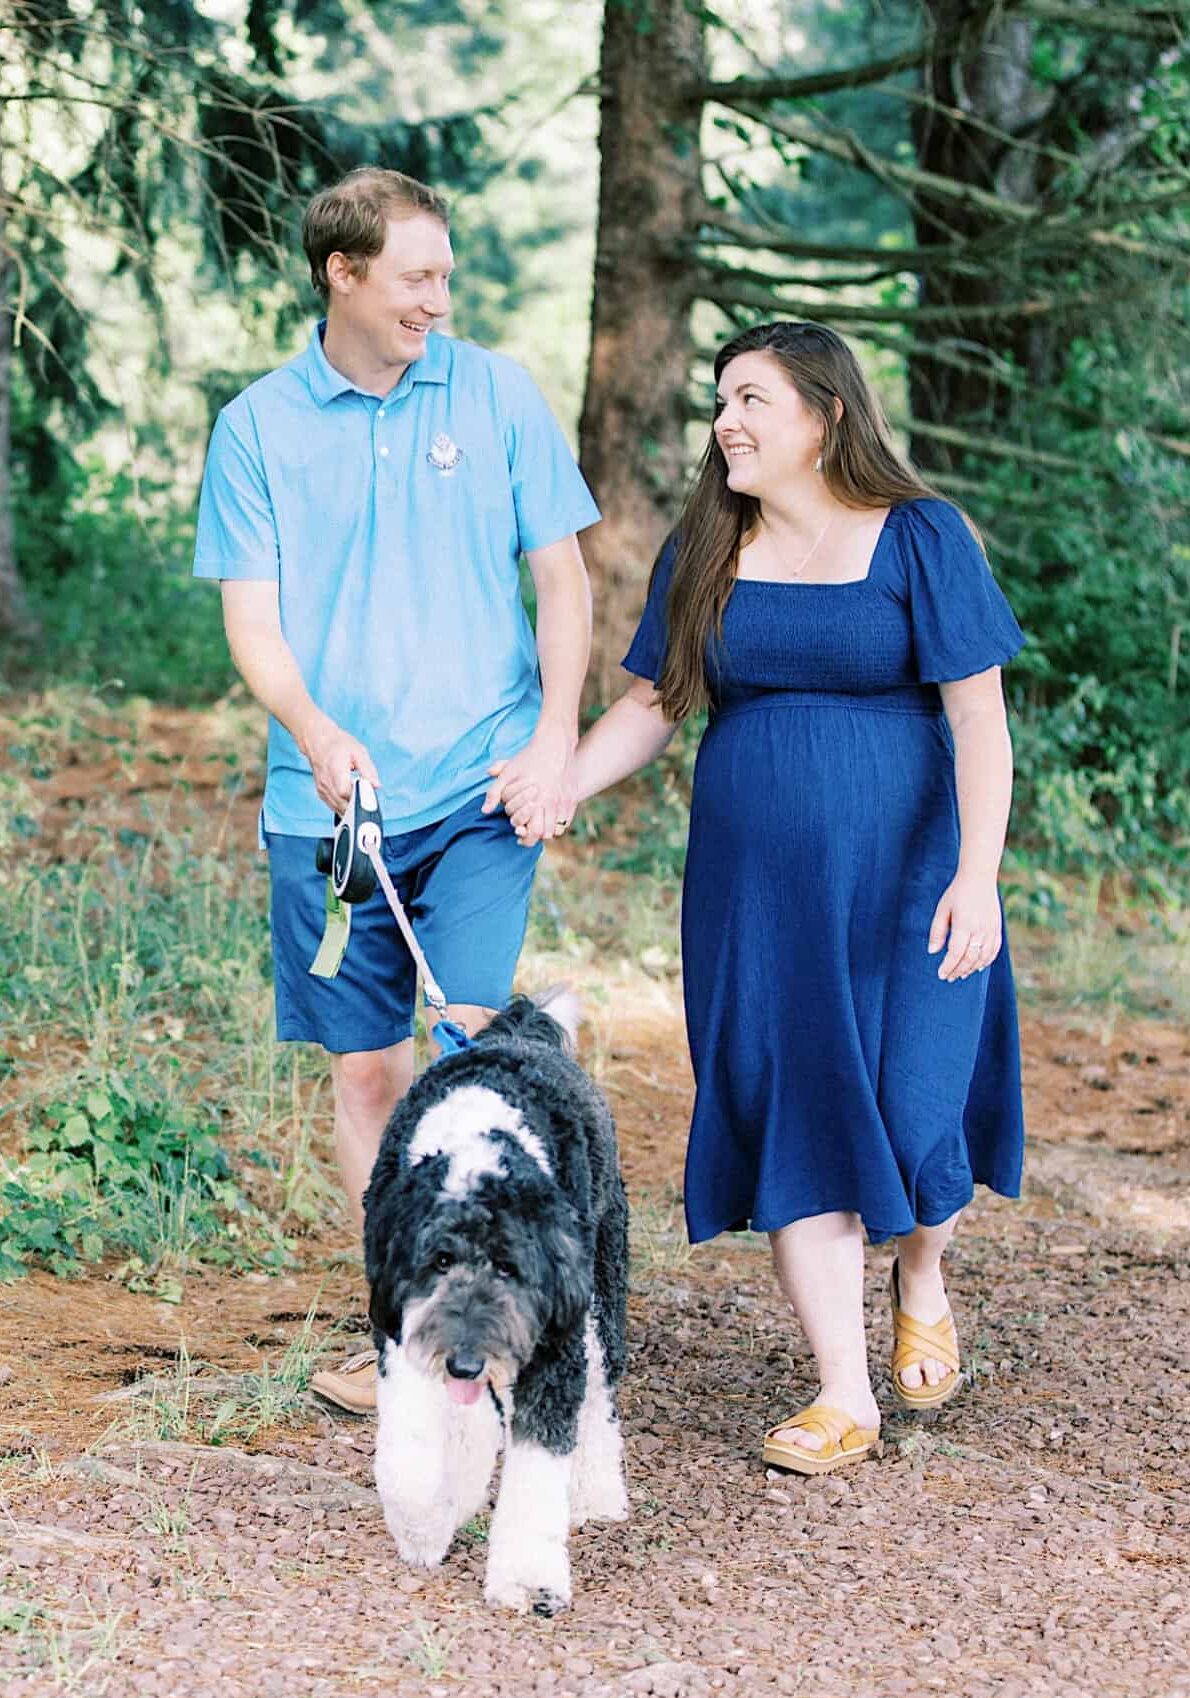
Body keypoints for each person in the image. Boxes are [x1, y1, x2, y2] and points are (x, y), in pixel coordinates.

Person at [501, 320, 1026, 1473]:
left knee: (918, 1106)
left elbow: (976, 718)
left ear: (824, 417)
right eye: (720, 401)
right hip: (756, 902)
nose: (726, 422)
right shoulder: (711, 545)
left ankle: (922, 1264)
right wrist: (562, 780)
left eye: (752, 400)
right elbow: (652, 702)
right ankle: (844, 1393)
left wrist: (976, 874)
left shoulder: (920, 538)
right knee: (796, 1105)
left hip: (911, 884)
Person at [193, 167, 598, 1413]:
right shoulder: (256, 425)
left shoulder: (494, 392)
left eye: (444, 274)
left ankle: (490, 1324)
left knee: (466, 1059)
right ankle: (403, 1336)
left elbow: (564, 583)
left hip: (479, 786)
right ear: (344, 273)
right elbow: (252, 627)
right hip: (331, 812)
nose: (440, 297)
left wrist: (552, 740)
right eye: (416, 275)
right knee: (365, 1076)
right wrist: (312, 729)